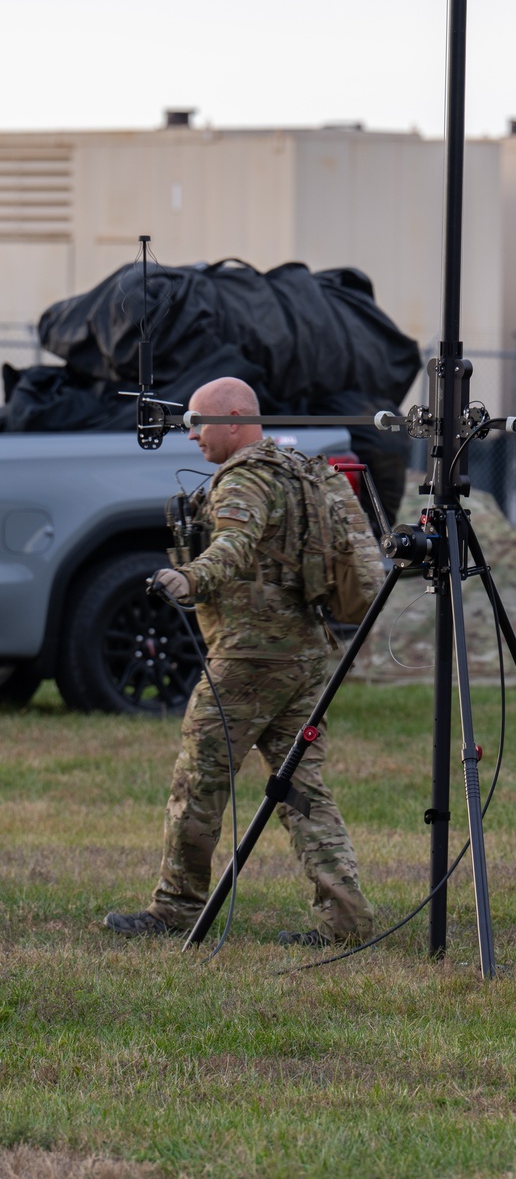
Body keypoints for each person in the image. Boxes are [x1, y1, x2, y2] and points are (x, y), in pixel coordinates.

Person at [105, 376, 378, 948]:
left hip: (249, 658)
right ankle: (346, 918)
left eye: (198, 425)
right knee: (302, 787)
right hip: (304, 654)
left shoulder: (244, 480)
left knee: (199, 777)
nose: (191, 438)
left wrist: (188, 577)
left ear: (233, 419)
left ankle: (177, 905)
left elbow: (233, 546)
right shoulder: (295, 467)